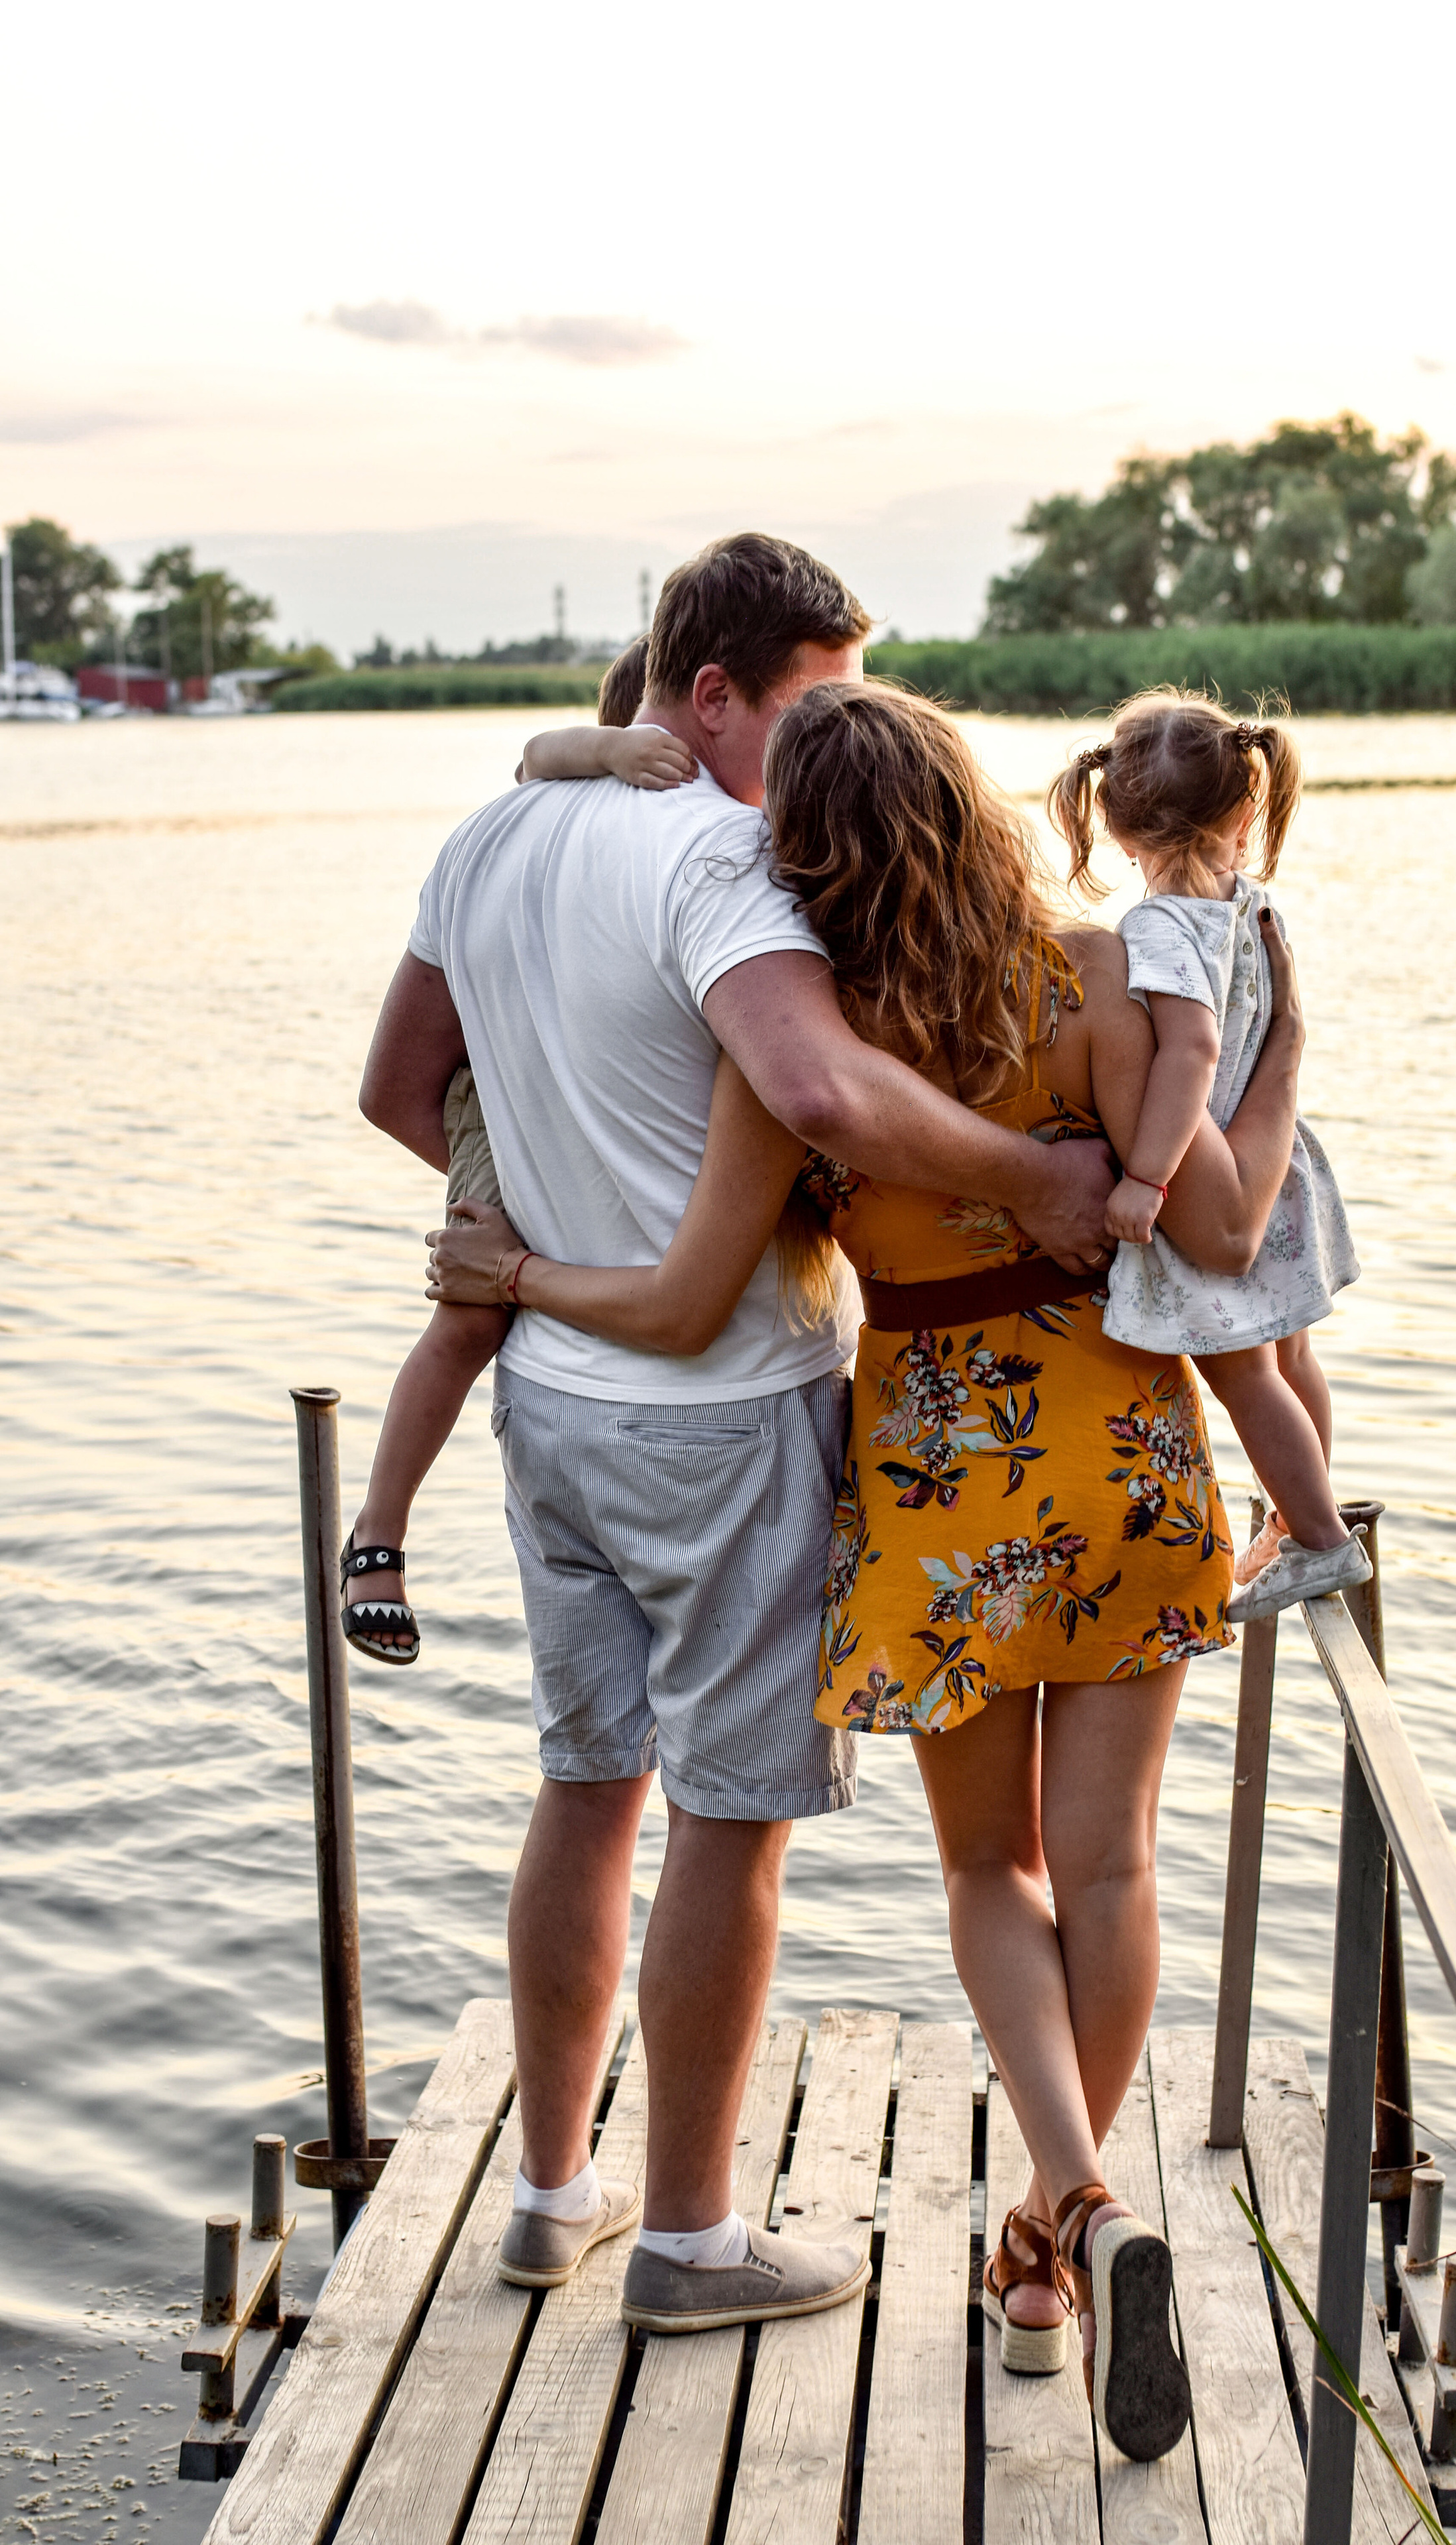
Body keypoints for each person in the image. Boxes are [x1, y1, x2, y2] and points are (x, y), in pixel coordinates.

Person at [427, 679, 1308, 2457]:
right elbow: (1219, 1232)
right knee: (1116, 1865)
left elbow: (696, 1265)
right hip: (1130, 1454)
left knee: (995, 1868)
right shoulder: (1101, 977)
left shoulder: (816, 1050)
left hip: (934, 1477)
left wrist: (508, 1267)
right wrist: (1279, 1053)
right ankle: (1058, 2255)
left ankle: (1076, 2198)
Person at [357, 535, 1123, 2339]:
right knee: (727, 1822)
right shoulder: (719, 850)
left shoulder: (488, 833)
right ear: (709, 695)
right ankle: (694, 2240)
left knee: (582, 1784)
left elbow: (398, 1086)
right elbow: (812, 1086)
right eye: (810, 707)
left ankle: (552, 2196)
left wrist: (532, 1234)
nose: (829, 746)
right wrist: (1035, 1177)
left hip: (552, 1402)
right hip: (721, 1412)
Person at [339, 638, 698, 1665]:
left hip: (534, 1104)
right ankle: (379, 1534)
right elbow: (540, 749)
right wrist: (617, 752)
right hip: (492, 1104)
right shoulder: (579, 773)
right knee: (468, 1319)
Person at [1047, 690, 1369, 1621]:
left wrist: (1146, 1178)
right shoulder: (1249, 905)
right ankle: (1302, 1518)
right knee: (1292, 1352)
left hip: (1207, 1160)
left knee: (1242, 1374)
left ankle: (1317, 1538)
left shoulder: (1157, 928)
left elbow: (1188, 1052)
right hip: (1282, 1163)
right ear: (1243, 812)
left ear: (1115, 825)